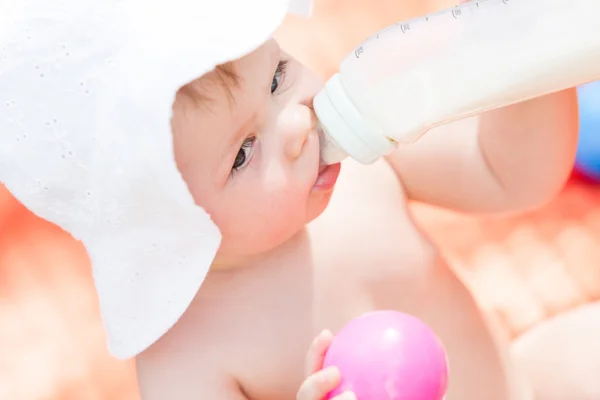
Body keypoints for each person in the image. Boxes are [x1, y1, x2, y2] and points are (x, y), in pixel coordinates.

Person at [0, 0, 577, 399]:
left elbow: (511, 174)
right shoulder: (187, 356)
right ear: (165, 225)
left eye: (276, 76)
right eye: (244, 153)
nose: (298, 124)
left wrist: (527, 65)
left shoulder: (359, 171)